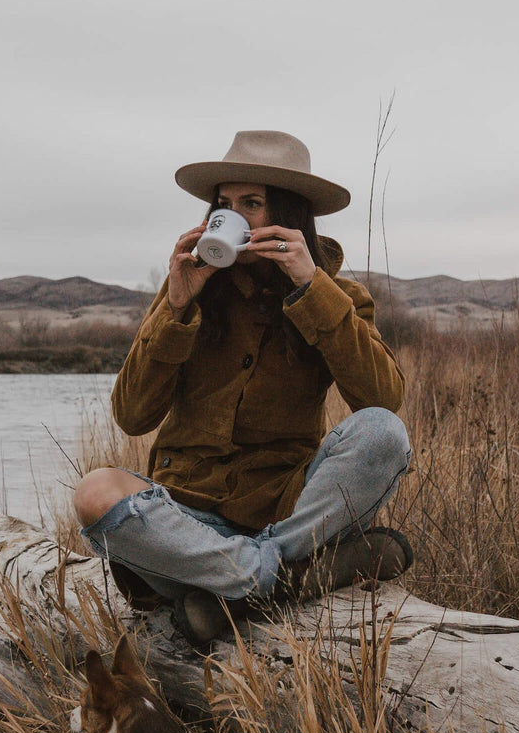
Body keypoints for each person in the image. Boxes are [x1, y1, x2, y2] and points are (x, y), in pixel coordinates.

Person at [73, 130, 412, 643]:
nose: (231, 216)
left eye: (251, 204)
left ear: (290, 215)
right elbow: (132, 415)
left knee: (384, 433)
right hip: (184, 520)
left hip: (282, 509)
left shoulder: (336, 295)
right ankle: (280, 576)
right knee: (95, 492)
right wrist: (177, 308)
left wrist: (310, 287)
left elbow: (382, 398)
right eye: (224, 204)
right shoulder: (190, 286)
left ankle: (231, 579)